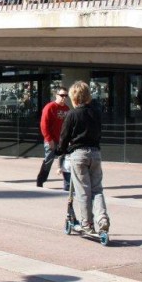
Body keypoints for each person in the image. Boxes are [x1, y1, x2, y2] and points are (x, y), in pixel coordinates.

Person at [57, 80, 109, 235]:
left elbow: (64, 136)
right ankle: (102, 218)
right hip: (95, 153)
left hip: (78, 154)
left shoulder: (72, 114)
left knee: (83, 191)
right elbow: (99, 132)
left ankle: (87, 223)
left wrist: (60, 150)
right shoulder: (96, 112)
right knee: (97, 189)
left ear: (74, 97)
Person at [36, 87, 70, 187]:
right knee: (48, 161)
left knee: (65, 161)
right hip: (51, 140)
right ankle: (40, 181)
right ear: (56, 95)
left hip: (62, 140)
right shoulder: (50, 107)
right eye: (62, 95)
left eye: (66, 96)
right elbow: (43, 125)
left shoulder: (67, 109)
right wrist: (49, 139)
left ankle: (67, 184)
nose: (64, 98)